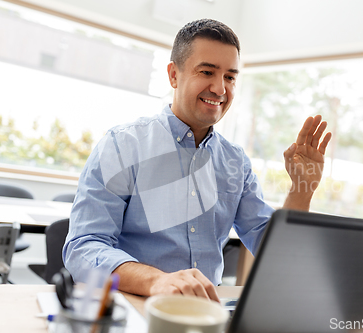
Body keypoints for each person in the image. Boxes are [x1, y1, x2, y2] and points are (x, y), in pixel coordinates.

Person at [63, 19, 331, 302]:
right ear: (173, 75)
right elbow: (83, 247)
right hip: (136, 306)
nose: (219, 88)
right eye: (207, 72)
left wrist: (303, 188)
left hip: (207, 315)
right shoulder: (122, 145)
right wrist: (157, 281)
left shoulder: (235, 162)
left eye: (230, 77)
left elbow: (278, 254)